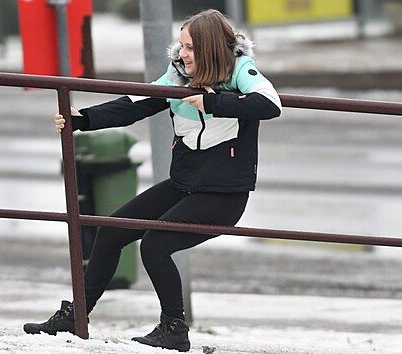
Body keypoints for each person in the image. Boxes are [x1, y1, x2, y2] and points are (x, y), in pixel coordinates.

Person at [23, 9, 282, 352]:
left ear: (209, 48)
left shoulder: (240, 70)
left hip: (224, 193)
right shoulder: (177, 76)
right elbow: (135, 102)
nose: (182, 51)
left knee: (155, 245)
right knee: (112, 229)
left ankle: (174, 328)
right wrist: (83, 119)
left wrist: (213, 102)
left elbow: (270, 103)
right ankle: (76, 315)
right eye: (181, 44)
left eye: (189, 46)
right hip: (184, 184)